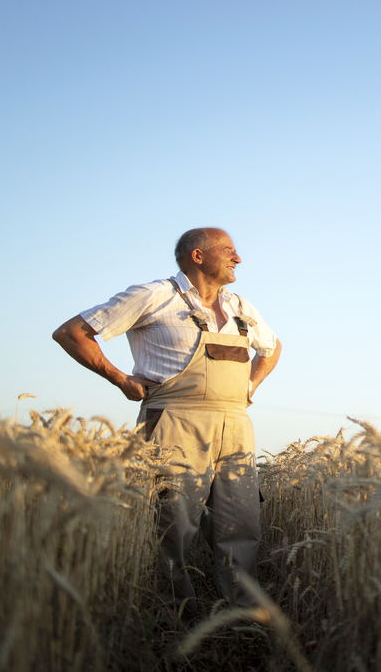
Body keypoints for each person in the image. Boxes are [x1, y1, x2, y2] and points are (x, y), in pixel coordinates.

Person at [51, 227, 282, 616]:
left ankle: (242, 619)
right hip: (174, 421)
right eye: (228, 250)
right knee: (168, 526)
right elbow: (72, 333)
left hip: (237, 427)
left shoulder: (241, 306)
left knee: (240, 528)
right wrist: (122, 380)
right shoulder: (153, 295)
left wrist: (251, 385)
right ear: (197, 255)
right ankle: (171, 619)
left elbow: (272, 348)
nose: (238, 258)